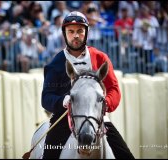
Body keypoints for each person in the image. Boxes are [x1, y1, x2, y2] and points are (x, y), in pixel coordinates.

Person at [41, 11, 134, 159]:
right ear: (65, 34)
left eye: (80, 31)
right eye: (71, 32)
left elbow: (113, 89)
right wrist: (61, 101)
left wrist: (105, 104)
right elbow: (46, 98)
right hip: (64, 119)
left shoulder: (100, 57)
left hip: (97, 116)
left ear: (86, 32)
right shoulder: (55, 63)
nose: (76, 35)